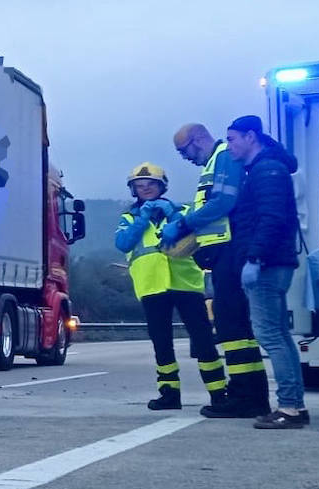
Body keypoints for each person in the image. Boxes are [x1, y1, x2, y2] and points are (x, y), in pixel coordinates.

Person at [163, 123, 271, 416]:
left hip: (230, 250)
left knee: (232, 325)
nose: (185, 158)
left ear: (198, 139)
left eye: (185, 151)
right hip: (223, 252)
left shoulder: (223, 156)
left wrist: (184, 225)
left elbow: (224, 202)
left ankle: (245, 398)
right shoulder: (214, 162)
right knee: (234, 325)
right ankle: (249, 394)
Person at [115, 163, 231, 411]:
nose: (146, 189)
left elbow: (194, 231)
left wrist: (173, 215)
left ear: (162, 186)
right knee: (161, 342)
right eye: (140, 186)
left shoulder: (183, 210)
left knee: (202, 340)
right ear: (134, 190)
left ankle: (218, 393)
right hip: (151, 285)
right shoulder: (129, 216)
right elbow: (123, 243)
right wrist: (142, 220)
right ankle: (169, 395)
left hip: (186, 283)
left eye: (151, 184)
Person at [225, 116, 308, 429]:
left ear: (250, 137)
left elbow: (271, 218)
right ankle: (294, 405)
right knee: (280, 336)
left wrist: (255, 258)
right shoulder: (265, 168)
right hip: (275, 261)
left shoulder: (266, 170)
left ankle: (289, 408)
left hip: (268, 264)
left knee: (270, 334)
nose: (229, 146)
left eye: (232, 139)